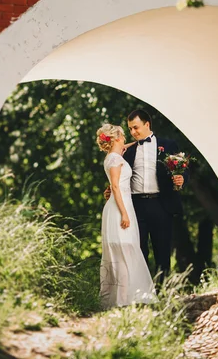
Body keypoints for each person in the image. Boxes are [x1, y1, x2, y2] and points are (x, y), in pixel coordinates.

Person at [122, 109, 188, 284]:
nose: (133, 132)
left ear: (147, 124)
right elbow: (121, 176)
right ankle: (142, 293)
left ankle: (164, 292)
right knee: (138, 250)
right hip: (136, 206)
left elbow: (183, 170)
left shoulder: (168, 145)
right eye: (130, 129)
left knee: (162, 251)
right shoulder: (127, 151)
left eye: (135, 127)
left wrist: (181, 179)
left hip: (161, 204)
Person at [96, 123, 154, 309]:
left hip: (123, 204)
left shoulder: (114, 156)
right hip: (118, 207)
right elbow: (114, 187)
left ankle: (125, 297)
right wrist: (124, 214)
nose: (126, 139)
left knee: (126, 249)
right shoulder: (114, 160)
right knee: (121, 251)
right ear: (118, 138)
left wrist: (138, 142)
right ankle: (121, 300)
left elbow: (122, 148)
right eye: (123, 136)